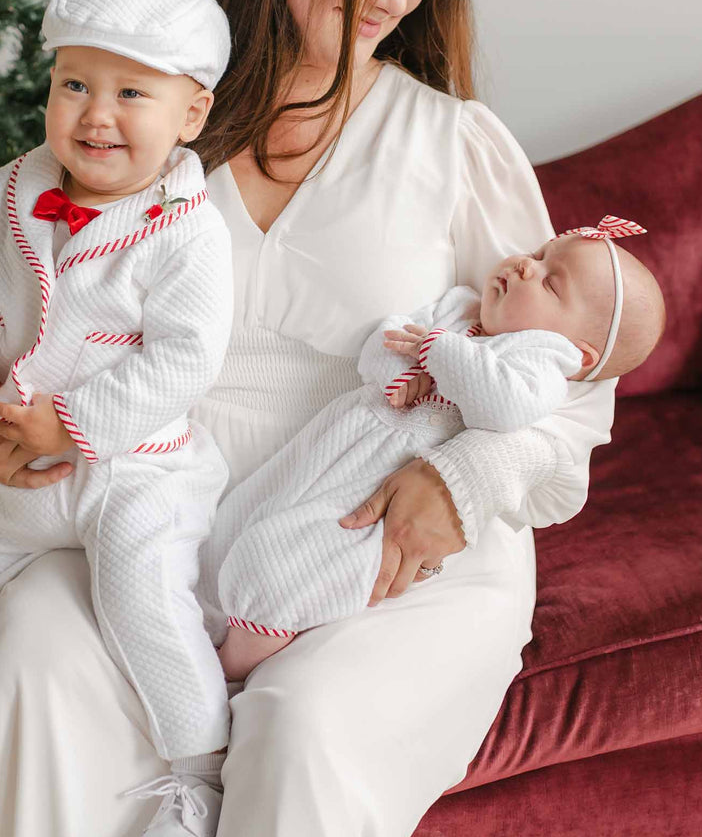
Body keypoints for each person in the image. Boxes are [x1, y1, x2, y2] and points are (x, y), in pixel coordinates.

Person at [0, 0, 617, 837]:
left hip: (377, 543)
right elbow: (19, 313)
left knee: (300, 727)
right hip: (162, 515)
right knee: (30, 648)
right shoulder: (147, 125)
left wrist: (464, 480)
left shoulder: (450, 142)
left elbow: (571, 380)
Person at [0, 0, 238, 837]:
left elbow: (185, 359)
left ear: (190, 117)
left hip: (138, 470)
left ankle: (200, 769)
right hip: (31, 466)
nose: (97, 114)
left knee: (144, 608)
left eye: (132, 92)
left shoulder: (188, 230)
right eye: (74, 86)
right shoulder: (6, 193)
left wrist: (81, 421)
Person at [211, 220, 666, 679]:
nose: (527, 265)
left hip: (385, 483)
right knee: (252, 509)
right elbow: (385, 340)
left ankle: (240, 663)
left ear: (579, 354)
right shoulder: (460, 305)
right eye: (539, 253)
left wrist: (436, 354)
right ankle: (223, 613)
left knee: (288, 564)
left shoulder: (541, 361)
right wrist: (401, 372)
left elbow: (503, 407)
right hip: (339, 442)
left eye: (550, 283)